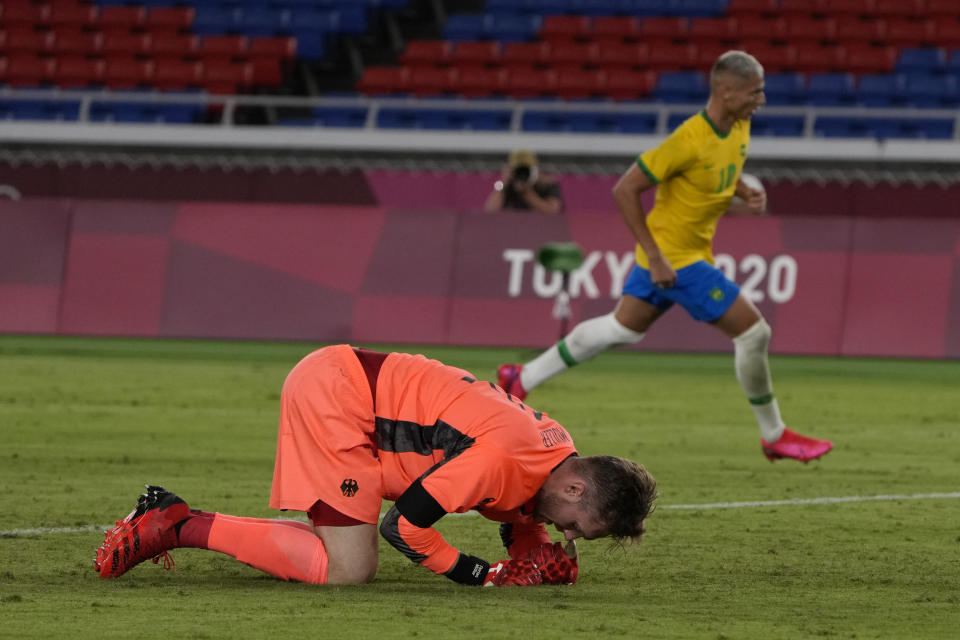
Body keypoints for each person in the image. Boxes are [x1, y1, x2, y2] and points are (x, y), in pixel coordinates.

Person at [497, 51, 833, 464]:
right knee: (753, 333)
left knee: (621, 329)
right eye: (754, 91)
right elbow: (624, 189)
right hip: (674, 258)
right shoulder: (686, 141)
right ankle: (773, 434)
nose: (761, 99)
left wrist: (742, 190)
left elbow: (717, 174)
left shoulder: (740, 126)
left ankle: (522, 376)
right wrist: (655, 257)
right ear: (725, 92)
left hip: (684, 252)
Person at [95, 344, 657, 586]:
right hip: (342, 400)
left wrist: (532, 560)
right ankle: (174, 523)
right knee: (349, 569)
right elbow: (404, 527)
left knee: (341, 549)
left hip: (351, 390)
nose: (568, 534)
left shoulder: (554, 453)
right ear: (579, 487)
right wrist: (483, 575)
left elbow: (518, 514)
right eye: (577, 526)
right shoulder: (506, 458)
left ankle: (174, 520)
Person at [484, 149, 564, 214]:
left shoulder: (547, 185)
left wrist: (528, 193)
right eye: (518, 170)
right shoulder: (508, 186)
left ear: (535, 170)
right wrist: (502, 183)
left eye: (525, 170)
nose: (522, 175)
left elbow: (553, 211)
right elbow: (490, 212)